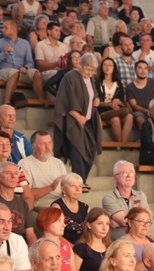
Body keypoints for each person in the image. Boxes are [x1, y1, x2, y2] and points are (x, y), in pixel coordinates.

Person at [53, 53, 102, 183]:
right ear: (80, 65)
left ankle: (82, 181)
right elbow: (66, 99)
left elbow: (93, 95)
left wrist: (96, 100)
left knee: (91, 151)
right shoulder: (70, 77)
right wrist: (78, 116)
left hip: (88, 122)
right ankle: (78, 183)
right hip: (73, 121)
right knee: (77, 152)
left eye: (92, 70)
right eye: (88, 69)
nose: (90, 73)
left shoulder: (90, 79)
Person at [0, 21, 44, 105]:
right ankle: (7, 103)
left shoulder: (25, 43)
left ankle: (41, 102)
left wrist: (26, 68)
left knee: (35, 73)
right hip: (4, 71)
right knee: (14, 72)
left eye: (5, 28)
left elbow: (30, 61)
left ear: (13, 30)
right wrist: (3, 54)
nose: (2, 30)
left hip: (21, 71)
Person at [17, 131, 68, 210]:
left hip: (61, 205)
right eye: (43, 144)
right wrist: (50, 188)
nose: (48, 147)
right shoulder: (24, 164)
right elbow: (25, 194)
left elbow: (66, 188)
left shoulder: (58, 163)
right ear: (33, 147)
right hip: (41, 207)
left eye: (50, 143)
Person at [101, 160, 149, 241]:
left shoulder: (141, 195)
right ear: (115, 178)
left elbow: (148, 217)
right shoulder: (108, 198)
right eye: (124, 173)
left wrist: (143, 219)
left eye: (131, 172)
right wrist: (140, 220)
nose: (128, 176)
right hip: (119, 244)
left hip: (139, 241)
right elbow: (124, 221)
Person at [52, 174, 88, 245]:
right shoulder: (56, 206)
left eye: (80, 186)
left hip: (82, 246)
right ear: (63, 189)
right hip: (63, 245)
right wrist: (72, 248)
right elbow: (54, 234)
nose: (77, 189)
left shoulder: (85, 207)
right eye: (73, 186)